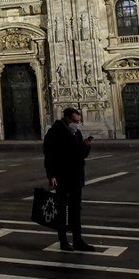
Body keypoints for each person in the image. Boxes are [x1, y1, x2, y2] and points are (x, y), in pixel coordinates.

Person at [43, 107, 95, 252]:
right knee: (62, 210)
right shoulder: (54, 133)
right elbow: (49, 155)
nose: (76, 123)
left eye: (78, 121)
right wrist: (51, 175)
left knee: (76, 209)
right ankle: (63, 241)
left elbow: (80, 154)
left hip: (76, 176)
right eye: (74, 121)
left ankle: (78, 240)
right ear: (66, 118)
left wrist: (86, 147)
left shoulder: (76, 132)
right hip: (62, 176)